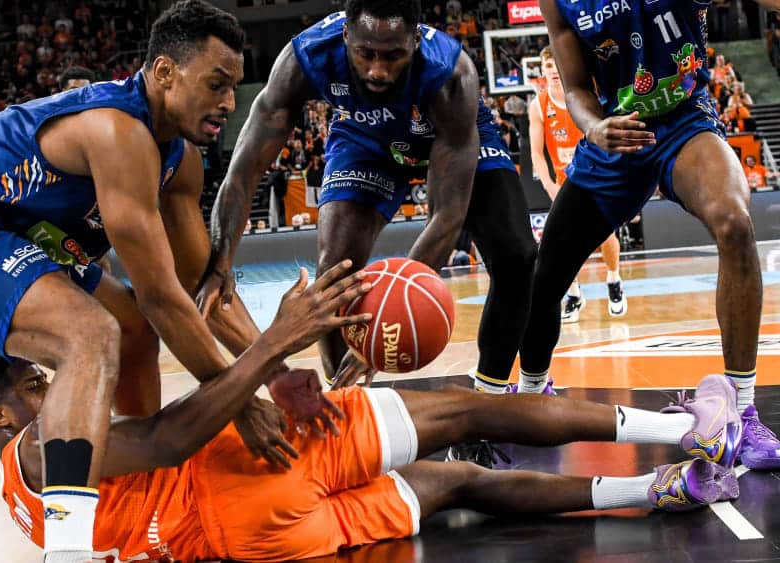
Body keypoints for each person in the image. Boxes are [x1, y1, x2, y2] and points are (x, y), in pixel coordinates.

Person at [0, 3, 324, 561]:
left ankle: (139, 487)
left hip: (16, 234)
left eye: (233, 87)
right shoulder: (117, 132)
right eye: (215, 84)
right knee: (89, 333)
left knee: (131, 329)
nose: (229, 103)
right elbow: (161, 297)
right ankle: (68, 548)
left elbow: (197, 288)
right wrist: (238, 397)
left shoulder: (180, 160)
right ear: (165, 72)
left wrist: (275, 376)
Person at [0, 324, 743, 561]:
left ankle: (658, 488)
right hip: (249, 466)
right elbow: (169, 435)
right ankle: (686, 428)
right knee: (469, 410)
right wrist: (272, 350)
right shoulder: (43, 444)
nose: (50, 388)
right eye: (32, 383)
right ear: (0, 415)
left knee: (458, 483)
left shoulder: (24, 508)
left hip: (257, 539)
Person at [202, 0, 539, 396]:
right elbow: (243, 171)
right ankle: (343, 400)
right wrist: (221, 260)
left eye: (393, 55)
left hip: (447, 130)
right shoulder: (305, 57)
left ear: (415, 41)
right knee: (334, 271)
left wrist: (384, 319)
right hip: (366, 136)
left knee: (517, 255)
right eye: (365, 53)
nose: (378, 70)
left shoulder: (450, 72)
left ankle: (490, 394)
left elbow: (447, 215)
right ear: (345, 35)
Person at [529, 0, 780, 469]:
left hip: (684, 121)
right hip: (617, 131)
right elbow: (577, 86)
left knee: (734, 223)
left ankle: (742, 412)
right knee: (545, 275)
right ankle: (530, 393)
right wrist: (594, 127)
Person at [528, 46, 625, 323]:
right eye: (547, 67)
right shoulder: (539, 106)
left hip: (595, 175)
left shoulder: (585, 96)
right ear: (542, 71)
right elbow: (536, 154)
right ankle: (573, 294)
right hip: (564, 181)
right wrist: (549, 185)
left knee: (605, 234)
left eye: (555, 65)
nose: (552, 71)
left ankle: (614, 279)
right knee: (559, 242)